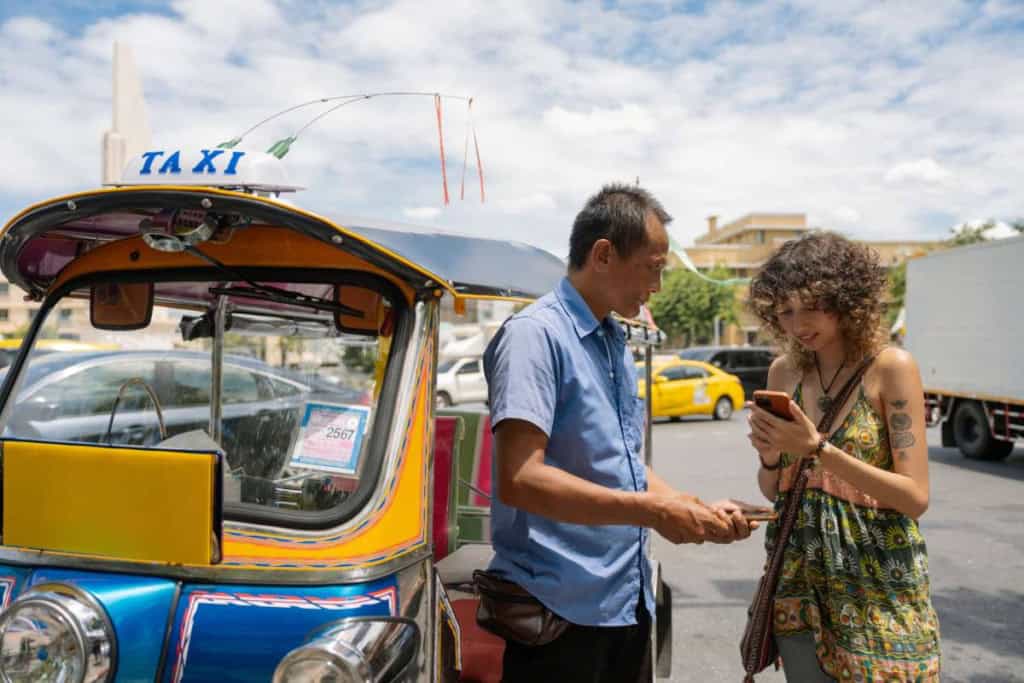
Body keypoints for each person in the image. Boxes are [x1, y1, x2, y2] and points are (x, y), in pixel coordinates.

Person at [483, 183, 754, 683]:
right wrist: (655, 511)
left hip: (623, 599)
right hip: (558, 611)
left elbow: (621, 463)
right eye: (653, 267)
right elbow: (521, 478)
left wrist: (691, 507)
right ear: (603, 254)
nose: (657, 286)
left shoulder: (612, 340)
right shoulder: (535, 336)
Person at [746, 232, 941, 682]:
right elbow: (777, 489)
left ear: (845, 298)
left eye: (810, 306)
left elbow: (915, 498)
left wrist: (818, 449)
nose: (797, 324)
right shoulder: (784, 372)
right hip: (801, 585)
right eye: (785, 311)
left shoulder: (891, 368)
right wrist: (772, 457)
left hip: (880, 589)